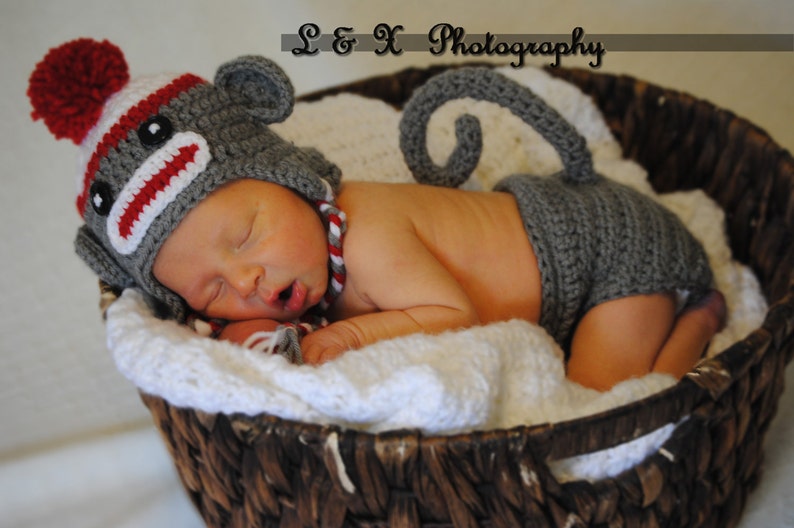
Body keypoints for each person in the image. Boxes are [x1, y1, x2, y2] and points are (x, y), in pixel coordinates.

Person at [29, 39, 725, 391]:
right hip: (567, 273)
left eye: (244, 235)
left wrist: (346, 339)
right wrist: (246, 334)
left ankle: (695, 320)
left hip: (608, 253)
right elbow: (251, 326)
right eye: (210, 288)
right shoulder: (297, 265)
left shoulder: (364, 232)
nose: (245, 279)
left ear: (288, 179)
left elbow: (452, 313)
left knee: (603, 399)